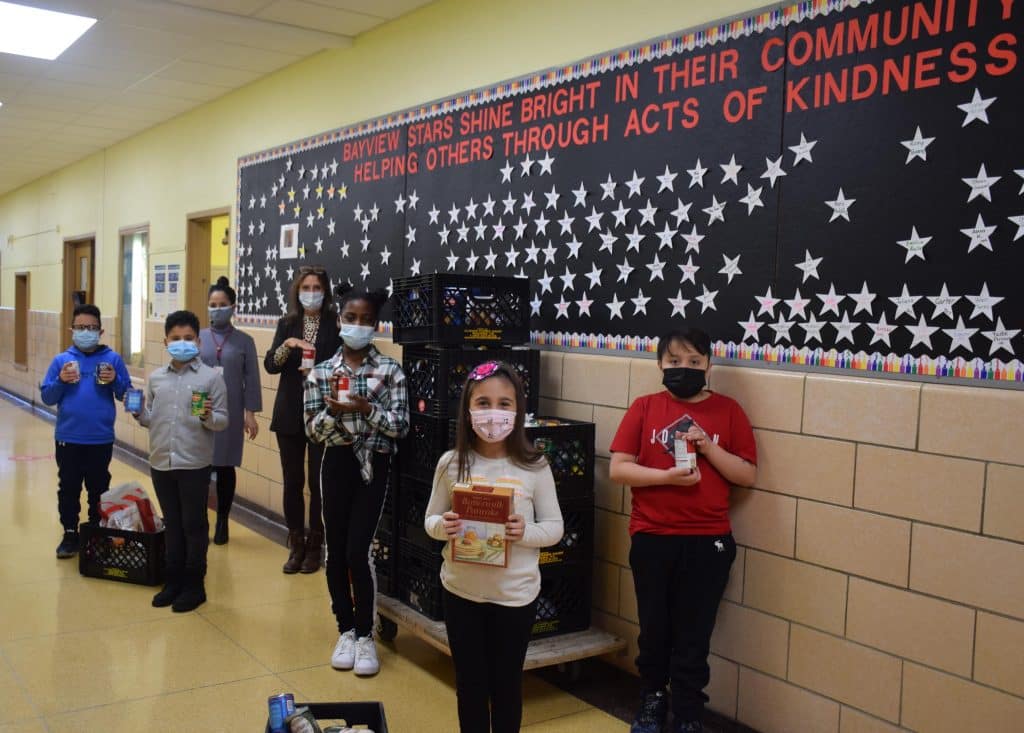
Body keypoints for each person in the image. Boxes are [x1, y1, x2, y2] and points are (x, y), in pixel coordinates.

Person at [609, 327, 757, 733]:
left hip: (709, 540)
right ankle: (652, 701)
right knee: (654, 630)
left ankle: (689, 713)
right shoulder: (644, 407)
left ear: (709, 365)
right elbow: (618, 468)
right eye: (674, 361)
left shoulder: (729, 411)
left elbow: (746, 474)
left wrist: (709, 447)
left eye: (694, 361)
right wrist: (666, 478)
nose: (684, 368)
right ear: (660, 363)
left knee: (694, 636)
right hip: (653, 537)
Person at [424, 361, 563, 733]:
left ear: (518, 410)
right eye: (483, 402)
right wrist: (444, 526)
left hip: (514, 596)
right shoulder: (451, 464)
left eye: (504, 403)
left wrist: (524, 532)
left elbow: (555, 528)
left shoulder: (534, 466)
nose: (493, 413)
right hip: (461, 592)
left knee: (506, 687)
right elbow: (430, 520)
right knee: (470, 686)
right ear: (467, 410)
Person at [304, 284, 409, 676]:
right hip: (336, 463)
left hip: (373, 466)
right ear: (339, 320)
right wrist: (334, 411)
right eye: (351, 318)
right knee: (334, 552)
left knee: (357, 551)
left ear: (376, 325)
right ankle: (345, 630)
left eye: (366, 320)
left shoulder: (391, 371)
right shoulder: (321, 373)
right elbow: (313, 431)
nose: (358, 325)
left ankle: (365, 635)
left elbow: (400, 427)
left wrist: (367, 410)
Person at [132, 310, 228, 613]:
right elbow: (151, 419)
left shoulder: (211, 377)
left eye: (188, 338)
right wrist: (138, 412)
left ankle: (194, 585)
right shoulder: (156, 378)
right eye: (176, 338)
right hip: (161, 461)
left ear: (198, 341)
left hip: (194, 464)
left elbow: (222, 420)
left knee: (194, 524)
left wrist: (208, 416)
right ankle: (172, 581)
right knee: (172, 523)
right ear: (166, 342)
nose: (182, 343)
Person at [265, 265, 342, 574]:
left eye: (317, 287)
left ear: (325, 292)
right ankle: (295, 544)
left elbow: (342, 366)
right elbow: (271, 365)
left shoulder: (335, 324)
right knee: (292, 481)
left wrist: (320, 374)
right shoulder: (287, 324)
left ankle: (315, 546)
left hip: (322, 412)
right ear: (297, 291)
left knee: (319, 483)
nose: (311, 293)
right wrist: (288, 345)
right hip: (289, 414)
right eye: (306, 287)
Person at [40, 304, 132, 558]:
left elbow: (127, 395)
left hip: (100, 438)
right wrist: (61, 380)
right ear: (71, 330)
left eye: (91, 328)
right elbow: (47, 397)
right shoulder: (61, 360)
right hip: (68, 437)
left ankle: (96, 531)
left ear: (100, 331)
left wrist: (115, 380)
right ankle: (70, 533)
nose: (86, 332)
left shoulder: (112, 359)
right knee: (69, 487)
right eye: (80, 327)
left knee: (99, 487)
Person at [199, 276, 262, 545]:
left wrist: (251, 413)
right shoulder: (198, 337)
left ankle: (222, 519)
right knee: (200, 465)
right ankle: (200, 519)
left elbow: (252, 379)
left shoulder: (244, 341)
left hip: (232, 410)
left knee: (225, 466)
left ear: (233, 307)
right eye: (212, 305)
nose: (217, 309)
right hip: (201, 407)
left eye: (222, 304)